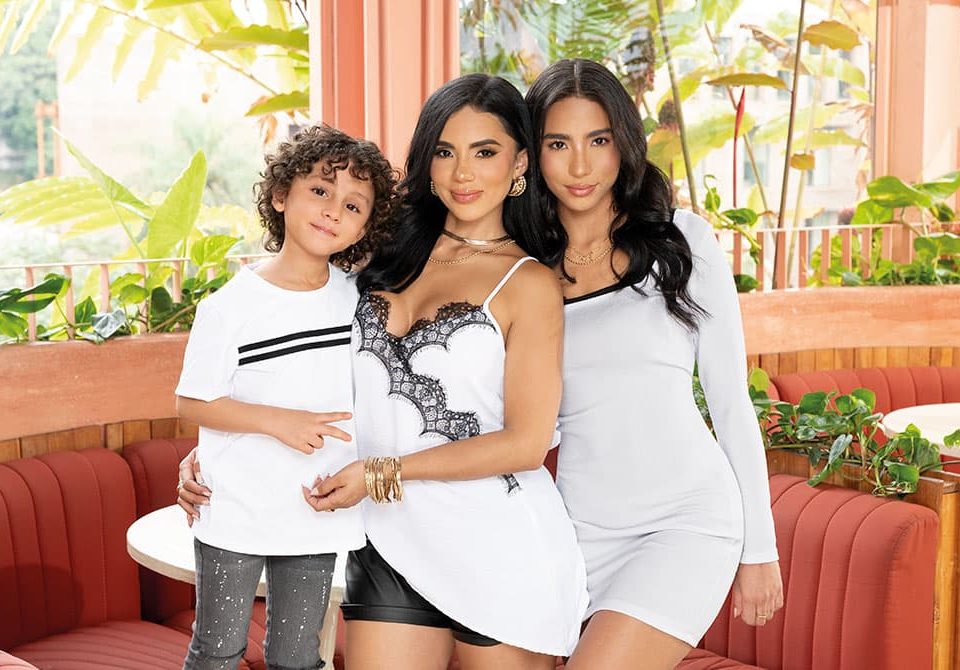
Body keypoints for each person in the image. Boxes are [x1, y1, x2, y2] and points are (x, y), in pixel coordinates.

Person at [179, 74, 588, 670]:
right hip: (387, 541)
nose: (463, 173)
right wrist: (219, 451)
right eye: (445, 151)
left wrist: (380, 473)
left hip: (496, 544)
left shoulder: (528, 283)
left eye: (485, 152)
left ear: (520, 162)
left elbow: (526, 445)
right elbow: (300, 365)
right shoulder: (377, 257)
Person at [524, 58, 784, 669]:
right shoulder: (524, 268)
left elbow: (730, 401)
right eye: (558, 144)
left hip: (684, 520)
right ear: (532, 155)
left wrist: (760, 549)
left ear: (624, 143)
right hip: (578, 530)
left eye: (598, 141)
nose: (580, 166)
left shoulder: (682, 241)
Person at [174, 125, 397, 670]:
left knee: (297, 655)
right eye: (320, 191)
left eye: (353, 205)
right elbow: (193, 403)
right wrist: (280, 421)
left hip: (315, 505)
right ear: (280, 195)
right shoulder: (229, 306)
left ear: (364, 226)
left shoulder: (359, 302)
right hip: (235, 507)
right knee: (218, 650)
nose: (333, 211)